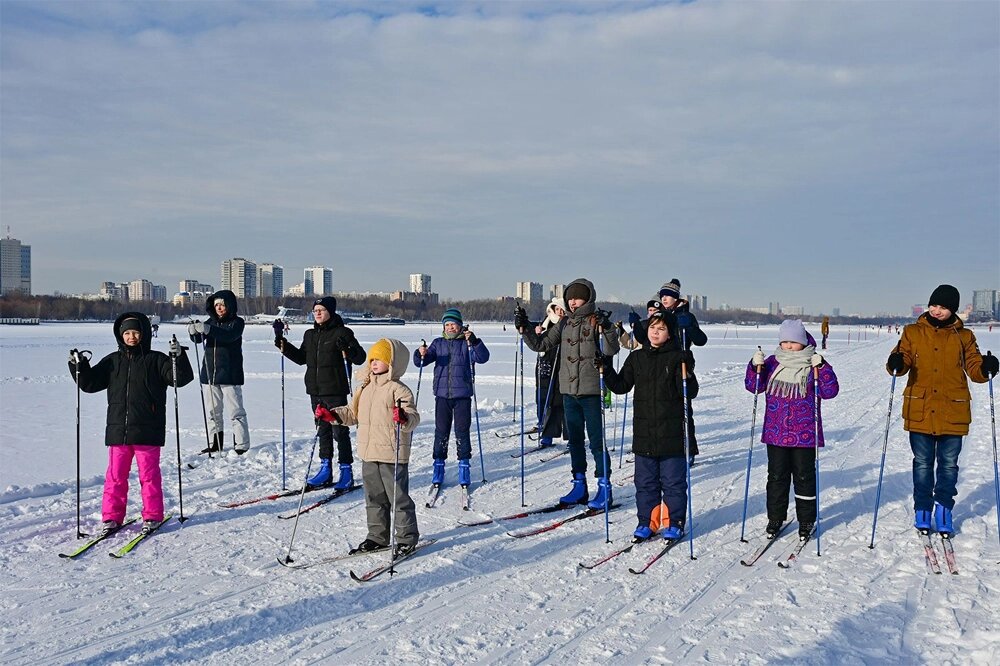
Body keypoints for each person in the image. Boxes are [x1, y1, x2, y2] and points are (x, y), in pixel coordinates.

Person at [67, 313, 194, 532]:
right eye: (127, 333)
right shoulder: (112, 361)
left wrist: (178, 357)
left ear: (144, 334)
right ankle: (111, 517)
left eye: (135, 332)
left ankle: (153, 515)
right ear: (120, 335)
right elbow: (89, 384)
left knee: (149, 476)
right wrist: (79, 366)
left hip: (148, 429)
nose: (132, 337)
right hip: (118, 430)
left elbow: (179, 379)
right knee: (115, 477)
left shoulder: (156, 360)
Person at [886, 285, 996, 535]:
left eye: (943, 307)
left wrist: (986, 367)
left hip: (952, 411)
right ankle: (922, 509)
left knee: (948, 465)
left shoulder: (964, 336)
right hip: (920, 409)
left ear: (953, 310)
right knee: (923, 464)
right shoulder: (912, 332)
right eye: (934, 305)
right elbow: (901, 359)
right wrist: (897, 363)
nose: (937, 311)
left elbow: (975, 368)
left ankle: (944, 508)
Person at [516, 278, 620, 509]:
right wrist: (524, 329)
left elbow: (612, 349)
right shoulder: (563, 324)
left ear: (588, 298)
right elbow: (541, 345)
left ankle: (604, 486)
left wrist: (609, 328)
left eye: (577, 297)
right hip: (568, 391)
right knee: (574, 440)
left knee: (595, 441)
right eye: (570, 298)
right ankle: (579, 485)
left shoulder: (596, 321)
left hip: (591, 391)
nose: (573, 302)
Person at [316, 339, 421, 555]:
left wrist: (403, 417)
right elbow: (353, 414)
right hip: (369, 453)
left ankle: (406, 539)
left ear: (393, 363)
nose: (373, 363)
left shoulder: (399, 390)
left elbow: (413, 417)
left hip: (392, 454)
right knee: (374, 498)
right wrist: (333, 415)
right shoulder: (364, 387)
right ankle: (377, 537)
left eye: (380, 359)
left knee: (398, 498)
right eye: (372, 358)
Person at [602, 310, 697, 541]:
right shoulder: (637, 358)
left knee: (673, 482)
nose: (655, 332)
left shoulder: (677, 358)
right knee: (645, 483)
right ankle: (647, 521)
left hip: (671, 434)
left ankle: (674, 522)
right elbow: (622, 385)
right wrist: (605, 368)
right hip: (644, 434)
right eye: (653, 327)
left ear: (670, 333)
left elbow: (690, 392)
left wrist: (688, 370)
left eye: (662, 328)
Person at [745, 320, 838, 539]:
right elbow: (754, 386)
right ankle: (775, 517)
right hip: (775, 433)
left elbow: (830, 391)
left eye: (793, 342)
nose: (788, 346)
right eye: (784, 341)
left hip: (804, 434)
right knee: (776, 477)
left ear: (803, 342)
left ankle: (806, 520)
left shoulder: (813, 364)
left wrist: (823, 368)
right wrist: (753, 366)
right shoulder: (771, 363)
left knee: (804, 478)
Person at [276, 297, 367, 488]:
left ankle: (346, 470)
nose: (317, 313)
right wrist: (281, 342)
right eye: (315, 310)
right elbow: (301, 358)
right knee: (322, 431)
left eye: (321, 310)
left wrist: (347, 348)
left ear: (331, 312)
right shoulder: (310, 335)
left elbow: (360, 358)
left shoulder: (342, 332)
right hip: (315, 391)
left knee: (339, 432)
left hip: (335, 390)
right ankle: (325, 469)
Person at [414, 308, 490, 488]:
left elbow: (483, 358)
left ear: (460, 325)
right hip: (442, 396)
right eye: (447, 325)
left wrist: (475, 341)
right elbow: (421, 362)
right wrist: (420, 353)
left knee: (462, 432)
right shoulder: (438, 343)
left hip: (462, 395)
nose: (450, 327)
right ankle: (438, 467)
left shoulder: (467, 343)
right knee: (441, 432)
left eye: (453, 324)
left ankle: (464, 466)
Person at [188, 290, 250, 454]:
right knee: (212, 412)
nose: (219, 308)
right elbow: (198, 339)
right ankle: (215, 444)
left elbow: (229, 336)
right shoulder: (211, 322)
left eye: (222, 304)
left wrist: (208, 329)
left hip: (230, 374)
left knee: (236, 411)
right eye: (216, 305)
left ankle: (241, 445)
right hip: (209, 374)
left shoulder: (237, 322)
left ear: (229, 305)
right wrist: (193, 332)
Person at [525, 298, 566, 448]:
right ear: (552, 310)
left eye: (562, 310)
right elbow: (536, 343)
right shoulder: (545, 323)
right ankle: (547, 434)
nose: (560, 313)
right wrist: (534, 332)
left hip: (564, 366)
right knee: (547, 400)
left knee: (565, 403)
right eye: (557, 310)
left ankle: (572, 438)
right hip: (546, 365)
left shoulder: (568, 324)